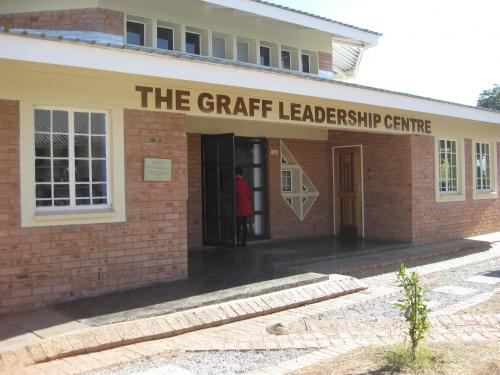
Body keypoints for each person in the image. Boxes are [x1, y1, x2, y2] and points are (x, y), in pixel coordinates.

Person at [235, 166, 253, 247]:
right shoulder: (245, 182)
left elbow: (235, 194)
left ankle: (237, 241)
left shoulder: (235, 182)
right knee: (244, 224)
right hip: (245, 206)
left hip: (238, 207)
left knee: (238, 225)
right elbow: (249, 194)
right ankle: (244, 242)